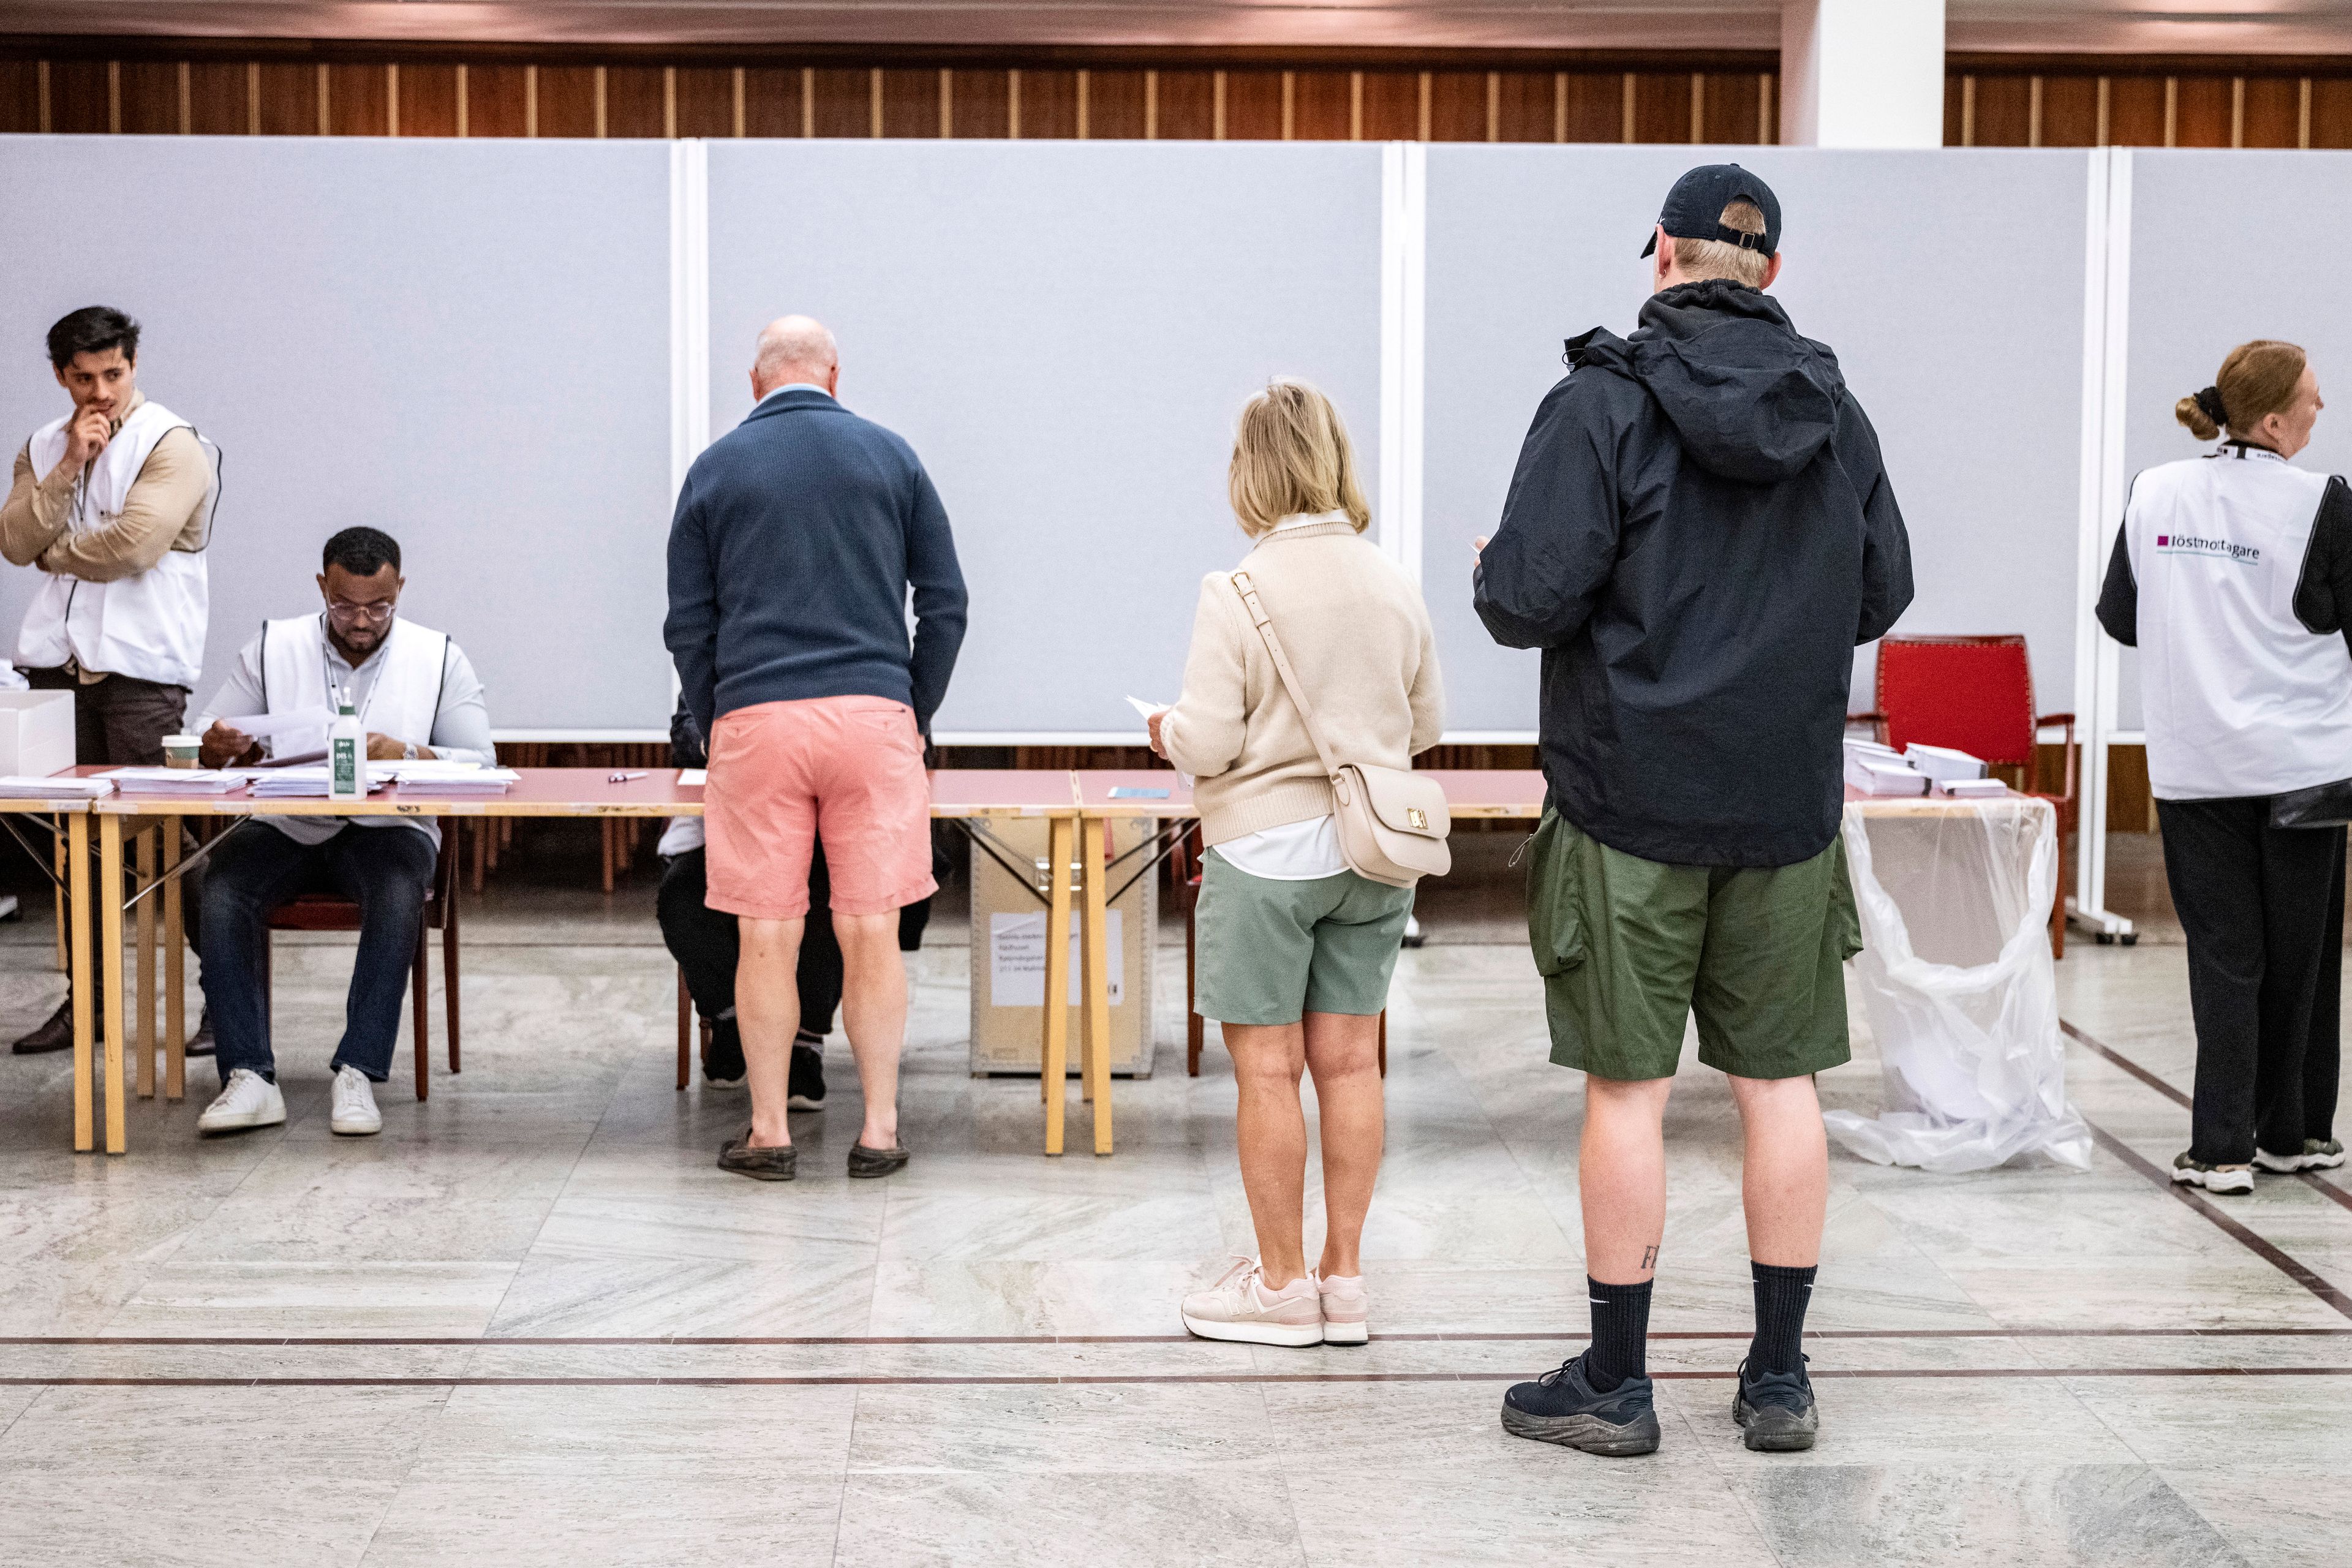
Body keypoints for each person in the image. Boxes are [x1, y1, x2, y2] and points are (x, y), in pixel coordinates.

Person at [1474, 165, 1912, 1455]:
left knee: (1629, 1091)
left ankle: (1617, 1378)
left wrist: (1501, 570)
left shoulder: (1601, 402)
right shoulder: (1838, 415)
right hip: (1783, 802)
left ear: (1658, 252)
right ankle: (1778, 1377)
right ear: (1769, 271)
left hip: (1629, 803)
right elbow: (1882, 590)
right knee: (1780, 1085)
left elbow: (1528, 601)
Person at [1153, 380, 1444, 1348]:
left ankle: (1280, 1288)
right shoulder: (1392, 581)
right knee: (1353, 1065)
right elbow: (1426, 726)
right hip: (1374, 855)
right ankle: (1344, 1280)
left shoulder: (1235, 591)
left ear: (1250, 470)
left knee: (1269, 1075)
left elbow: (1207, 740)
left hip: (1266, 856)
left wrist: (1164, 729)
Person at [665, 315, 967, 1182]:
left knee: (767, 931)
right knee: (870, 928)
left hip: (759, 723)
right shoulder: (892, 456)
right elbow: (944, 602)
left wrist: (720, 712)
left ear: (756, 385)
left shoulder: (716, 468)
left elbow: (688, 621)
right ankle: (878, 1131)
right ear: (835, 377)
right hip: (873, 719)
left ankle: (769, 1132)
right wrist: (915, 707)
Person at [2097, 341, 2349, 1194]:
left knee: (2226, 955)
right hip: (2306, 763)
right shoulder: (2325, 503)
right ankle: (2295, 1134)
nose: (2323, 409)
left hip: (2196, 762)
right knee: (2302, 954)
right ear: (2274, 420)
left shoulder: (2155, 492)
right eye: (2314, 399)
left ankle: (2219, 1148)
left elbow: (2122, 619)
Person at [188, 526, 494, 1139]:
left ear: (399, 589)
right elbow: (205, 733)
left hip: (388, 827)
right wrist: (214, 744)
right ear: (322, 586)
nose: (362, 620)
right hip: (288, 821)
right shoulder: (274, 645)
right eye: (345, 604)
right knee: (217, 885)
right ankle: (248, 1074)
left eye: (379, 606)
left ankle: (358, 1070)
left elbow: (481, 759)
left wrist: (407, 750)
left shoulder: (437, 655)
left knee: (400, 890)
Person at [0, 306, 217, 1057]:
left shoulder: (176, 443)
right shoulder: (41, 446)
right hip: (55, 669)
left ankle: (225, 996)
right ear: (62, 375)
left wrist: (52, 551)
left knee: (174, 843)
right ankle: (85, 1004)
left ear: (134, 365)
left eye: (114, 375)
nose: (101, 393)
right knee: (76, 848)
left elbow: (134, 544)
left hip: (140, 674)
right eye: (84, 378)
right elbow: (13, 538)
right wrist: (64, 470)